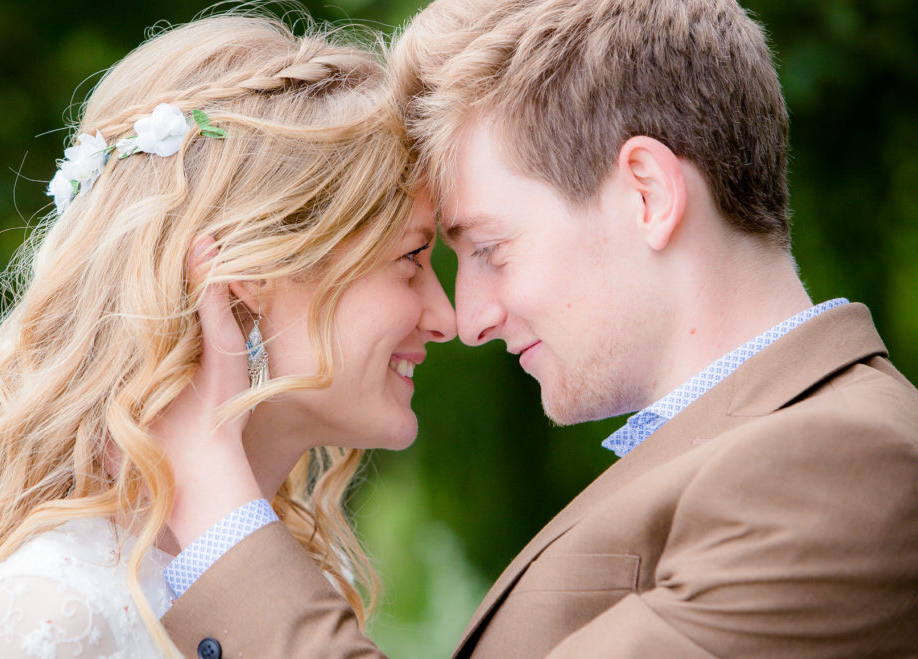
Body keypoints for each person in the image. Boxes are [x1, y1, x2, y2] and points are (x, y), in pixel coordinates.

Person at [157, 0, 918, 657]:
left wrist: (218, 501)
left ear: (647, 194)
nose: (472, 317)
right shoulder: (749, 451)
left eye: (489, 249)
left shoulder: (847, 463)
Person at [0, 12, 456, 659]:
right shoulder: (57, 611)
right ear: (246, 275)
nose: (448, 317)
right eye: (412, 258)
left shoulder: (294, 582)